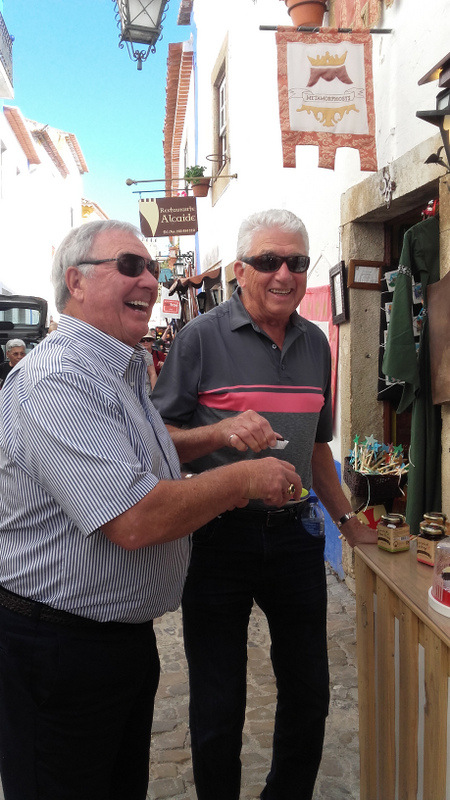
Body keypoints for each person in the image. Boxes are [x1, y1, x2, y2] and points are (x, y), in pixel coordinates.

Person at [0, 219, 303, 800]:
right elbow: (135, 517)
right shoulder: (57, 380)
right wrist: (246, 479)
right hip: (60, 654)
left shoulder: (115, 366)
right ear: (76, 282)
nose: (149, 280)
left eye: (153, 269)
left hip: (112, 645)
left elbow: (137, 455)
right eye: (129, 266)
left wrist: (217, 436)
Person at [152, 209, 377, 800]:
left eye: (297, 263)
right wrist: (219, 435)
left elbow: (319, 447)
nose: (284, 274)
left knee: (310, 694)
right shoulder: (199, 340)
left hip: (296, 538)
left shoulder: (317, 343)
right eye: (268, 261)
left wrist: (351, 523)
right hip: (216, 537)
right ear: (240, 271)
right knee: (219, 702)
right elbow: (157, 440)